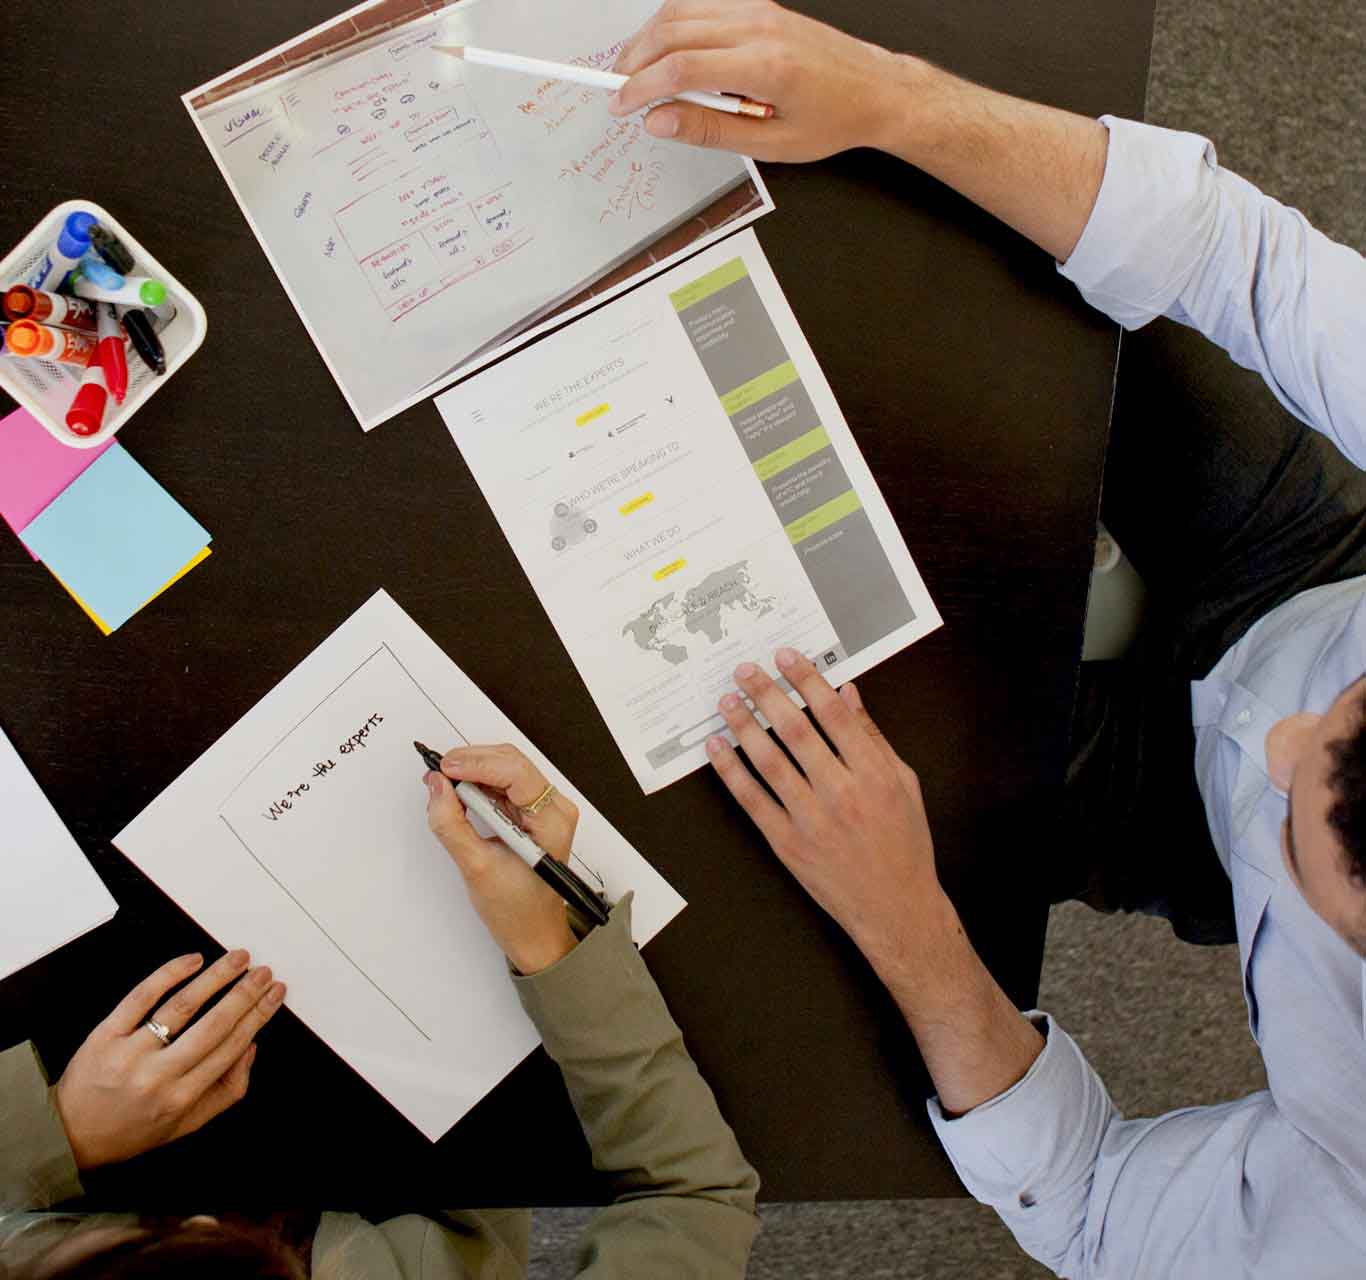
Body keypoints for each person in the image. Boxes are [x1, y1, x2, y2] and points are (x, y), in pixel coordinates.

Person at [607, 1, 1366, 1276]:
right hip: (1309, 567)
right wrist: (890, 96)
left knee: (772, 731)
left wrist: (912, 922)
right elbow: (1243, 260)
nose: (1281, 735)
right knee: (962, 263)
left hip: (1176, 820)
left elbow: (1093, 1211)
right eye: (1355, 709)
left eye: (1326, 854)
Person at [0, 744, 759, 1278]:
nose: (202, 1225)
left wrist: (54, 1135)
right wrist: (554, 950)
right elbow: (695, 1199)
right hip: (456, 1139)